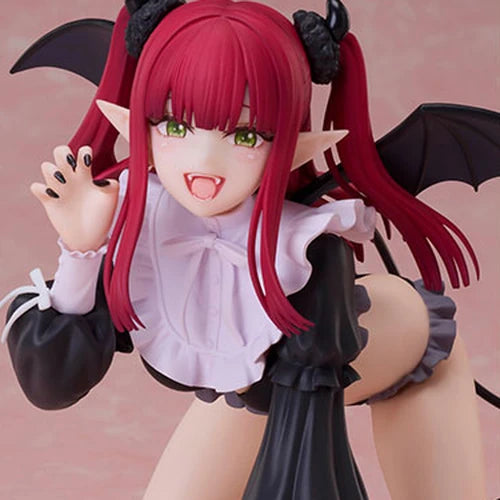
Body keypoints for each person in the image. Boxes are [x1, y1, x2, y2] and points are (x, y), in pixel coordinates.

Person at [2, 1, 487, 498]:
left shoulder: (308, 252)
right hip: (261, 387)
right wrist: (80, 252)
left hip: (386, 349)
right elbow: (52, 386)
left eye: (245, 134)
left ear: (289, 141)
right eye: (175, 126)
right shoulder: (137, 214)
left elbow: (307, 458)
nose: (204, 161)